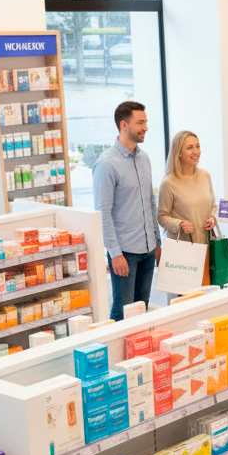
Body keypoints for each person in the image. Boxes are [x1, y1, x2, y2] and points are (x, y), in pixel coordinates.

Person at [92, 101, 161, 320]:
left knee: (143, 309)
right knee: (123, 311)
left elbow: (150, 203)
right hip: (125, 253)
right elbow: (103, 212)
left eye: (146, 122)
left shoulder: (144, 158)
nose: (145, 128)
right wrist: (115, 253)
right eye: (140, 123)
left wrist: (157, 243)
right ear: (124, 125)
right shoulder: (106, 164)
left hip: (148, 249)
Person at [158, 130, 218, 286]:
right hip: (184, 251)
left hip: (207, 246)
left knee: (208, 293)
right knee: (187, 296)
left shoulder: (205, 176)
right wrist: (179, 224)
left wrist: (212, 218)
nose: (196, 151)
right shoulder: (169, 182)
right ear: (178, 152)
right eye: (190, 147)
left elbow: (213, 204)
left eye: (197, 146)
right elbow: (162, 216)